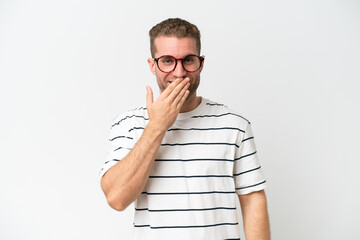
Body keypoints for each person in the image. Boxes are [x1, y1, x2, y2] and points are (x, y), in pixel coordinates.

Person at [100, 18, 270, 240]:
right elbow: (116, 198)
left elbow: (253, 199)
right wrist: (157, 126)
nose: (179, 73)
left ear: (201, 63)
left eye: (188, 60)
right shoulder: (128, 124)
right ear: (153, 65)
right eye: (168, 61)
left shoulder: (234, 125)